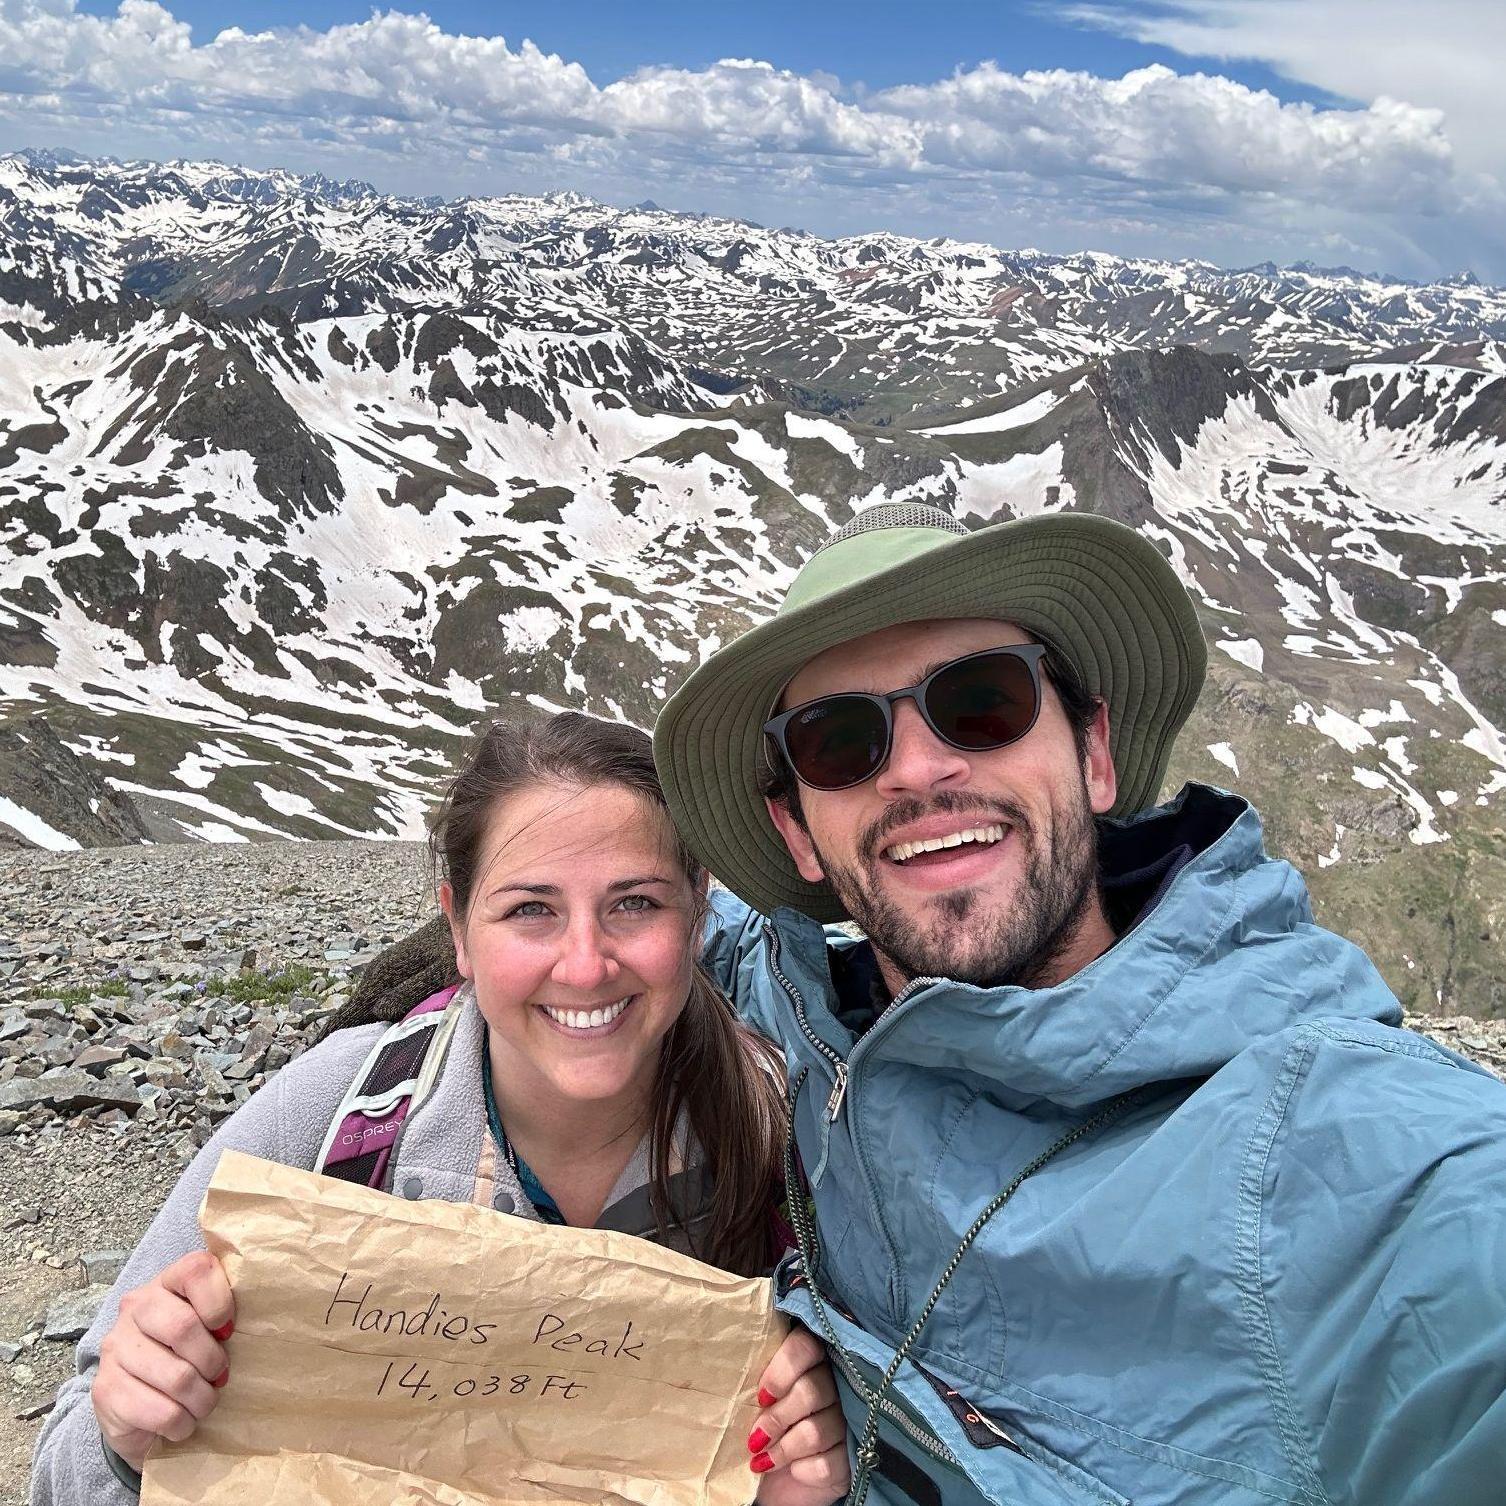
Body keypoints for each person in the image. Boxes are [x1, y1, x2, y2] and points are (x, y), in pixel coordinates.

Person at [647, 502, 1506, 1505]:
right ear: (799, 836)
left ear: (1093, 754)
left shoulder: (1364, 1158)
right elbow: (720, 933)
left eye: (982, 702)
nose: (920, 769)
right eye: (841, 741)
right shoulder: (819, 1008)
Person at [30, 713, 849, 1506]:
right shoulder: (331, 1119)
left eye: (635, 903)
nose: (586, 963)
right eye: (531, 909)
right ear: (459, 926)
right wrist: (127, 1438)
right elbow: (61, 1475)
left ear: (698, 910)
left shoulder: (801, 1138)